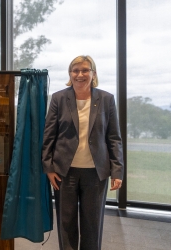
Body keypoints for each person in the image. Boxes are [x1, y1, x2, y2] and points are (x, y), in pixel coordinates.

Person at [42, 55, 124, 250]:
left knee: (92, 224)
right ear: (70, 74)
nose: (80, 74)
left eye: (85, 70)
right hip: (64, 172)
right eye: (75, 70)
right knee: (66, 223)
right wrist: (49, 167)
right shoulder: (59, 98)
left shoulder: (106, 99)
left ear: (93, 73)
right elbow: (49, 135)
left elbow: (114, 137)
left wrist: (117, 171)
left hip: (96, 173)